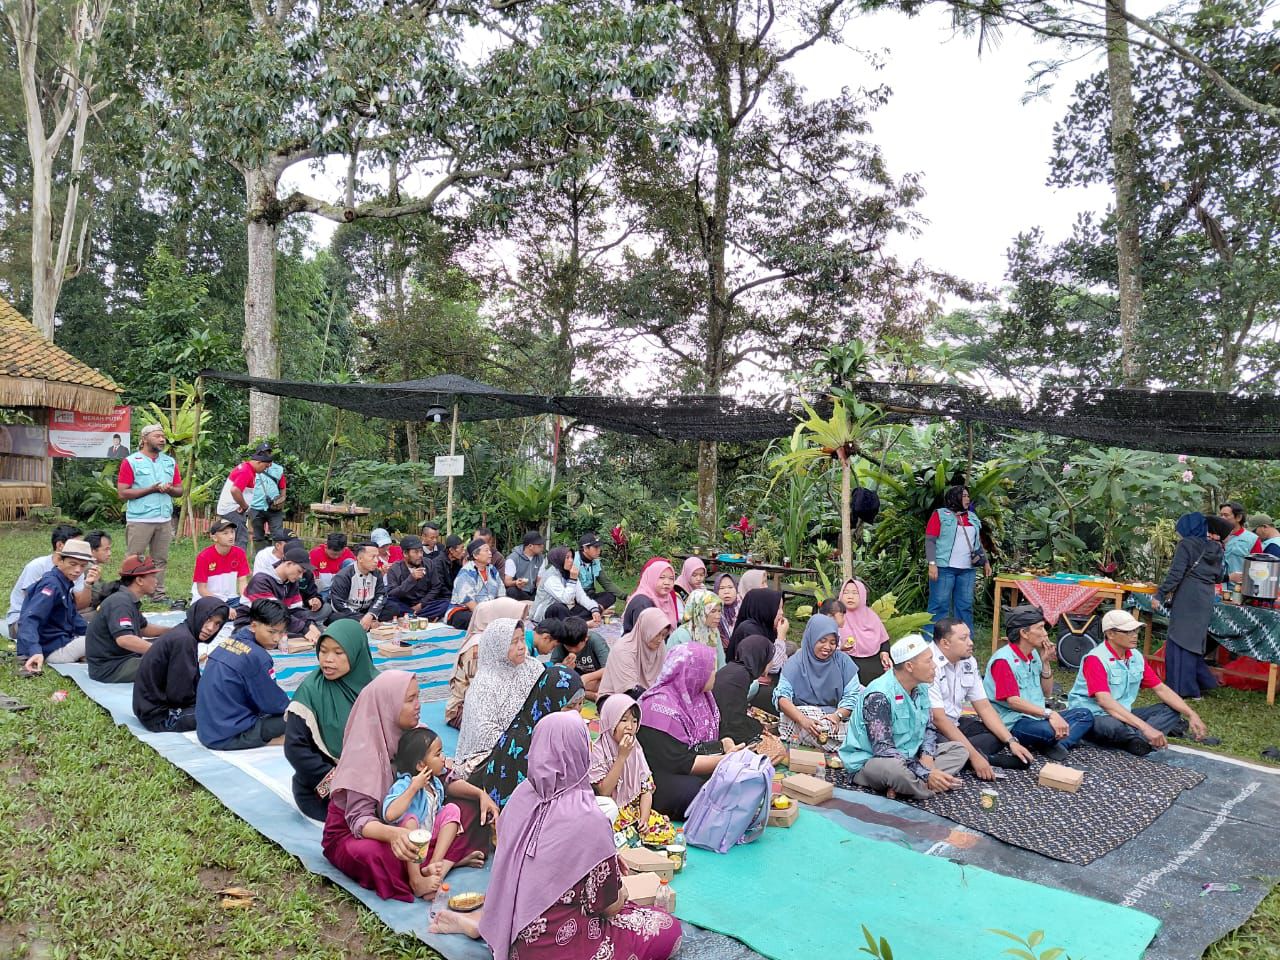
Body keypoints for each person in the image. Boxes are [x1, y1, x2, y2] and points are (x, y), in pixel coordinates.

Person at [430, 712, 683, 960]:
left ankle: (485, 926)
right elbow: (608, 907)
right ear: (580, 753)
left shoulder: (521, 797)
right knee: (666, 928)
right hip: (562, 946)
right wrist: (621, 889)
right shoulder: (589, 818)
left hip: (512, 935)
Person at [323, 671, 496, 902]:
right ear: (388, 706)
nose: (418, 706)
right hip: (365, 829)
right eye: (409, 700)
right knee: (375, 855)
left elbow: (442, 779)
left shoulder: (418, 733)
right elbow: (359, 820)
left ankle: (437, 867)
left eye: (418, 697)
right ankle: (429, 870)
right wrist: (396, 834)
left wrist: (480, 794)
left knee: (471, 810)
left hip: (412, 814)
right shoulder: (364, 750)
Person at [840, 634, 967, 800]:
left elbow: (928, 726)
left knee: (959, 750)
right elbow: (883, 750)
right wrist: (925, 772)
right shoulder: (879, 695)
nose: (934, 666)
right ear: (909, 666)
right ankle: (926, 787)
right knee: (895, 770)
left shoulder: (921, 687)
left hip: (910, 755)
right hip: (873, 761)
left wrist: (927, 756)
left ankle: (908, 786)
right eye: (928, 661)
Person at [1068, 609, 1211, 755]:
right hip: (1094, 715)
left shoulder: (1136, 656)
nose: (1135, 635)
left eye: (1135, 630)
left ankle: (1136, 740)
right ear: (1111, 634)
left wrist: (1191, 714)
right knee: (1111, 726)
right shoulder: (1095, 659)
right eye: (1128, 632)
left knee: (1172, 710)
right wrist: (1145, 727)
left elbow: (1161, 689)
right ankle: (1140, 738)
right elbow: (1105, 703)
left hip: (1123, 714)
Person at [284, 619, 379, 820]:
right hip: (323, 791)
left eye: (338, 652)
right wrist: (338, 784)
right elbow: (295, 748)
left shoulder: (378, 687)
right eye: (323, 650)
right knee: (362, 819)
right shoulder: (310, 692)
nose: (327, 659)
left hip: (373, 782)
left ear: (356, 652)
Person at [636, 643, 741, 817]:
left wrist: (727, 744)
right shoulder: (659, 707)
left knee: (734, 781)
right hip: (655, 777)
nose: (715, 673)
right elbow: (680, 763)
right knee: (697, 792)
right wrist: (725, 760)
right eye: (710, 669)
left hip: (690, 765)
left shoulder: (700, 696)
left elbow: (719, 731)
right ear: (694, 673)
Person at [984, 605, 1094, 761]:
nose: (1045, 633)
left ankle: (1055, 743)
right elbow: (1013, 702)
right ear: (1024, 633)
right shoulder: (1003, 661)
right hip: (1014, 721)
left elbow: (1047, 692)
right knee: (1048, 731)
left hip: (1037, 715)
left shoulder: (1033, 654)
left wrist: (1046, 662)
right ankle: (1055, 740)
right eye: (1041, 628)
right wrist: (1050, 714)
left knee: (1085, 715)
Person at [927, 617, 1034, 776]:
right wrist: (975, 756)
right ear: (945, 643)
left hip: (955, 722)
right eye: (963, 639)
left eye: (969, 636)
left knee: (998, 736)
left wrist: (1011, 741)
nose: (970, 642)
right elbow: (938, 719)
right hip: (930, 729)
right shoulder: (929, 664)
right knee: (957, 750)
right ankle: (976, 759)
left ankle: (967, 758)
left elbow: (983, 706)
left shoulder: (968, 661)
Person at [470, 664, 586, 809]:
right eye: (570, 706)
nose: (576, 712)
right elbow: (522, 800)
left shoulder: (560, 730)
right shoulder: (524, 742)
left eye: (581, 703)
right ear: (549, 703)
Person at [382, 727, 475, 892]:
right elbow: (389, 814)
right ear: (420, 765)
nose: (443, 758)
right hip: (411, 850)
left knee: (452, 810)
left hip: (430, 841)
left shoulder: (436, 784)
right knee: (410, 821)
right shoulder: (405, 784)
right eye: (438, 754)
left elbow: (438, 812)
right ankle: (416, 880)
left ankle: (434, 865)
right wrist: (413, 788)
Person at [1155, 513, 1233, 699]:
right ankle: (1201, 682)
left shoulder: (1187, 544)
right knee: (1194, 641)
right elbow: (1219, 576)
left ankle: (1185, 688)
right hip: (1205, 595)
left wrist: (1160, 593)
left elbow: (1176, 573)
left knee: (1180, 639)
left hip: (1188, 594)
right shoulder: (1216, 547)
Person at [453, 618, 545, 773]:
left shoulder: (533, 668)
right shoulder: (484, 684)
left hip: (534, 742)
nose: (522, 647)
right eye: (514, 642)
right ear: (498, 646)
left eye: (522, 639)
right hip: (500, 754)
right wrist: (523, 744)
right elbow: (484, 734)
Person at [196, 598, 291, 750]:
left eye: (282, 633)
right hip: (229, 736)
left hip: (207, 731)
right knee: (298, 717)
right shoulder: (258, 657)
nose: (276, 638)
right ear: (254, 626)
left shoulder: (230, 640)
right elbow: (275, 704)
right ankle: (273, 740)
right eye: (272, 632)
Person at [133, 597, 228, 733]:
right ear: (198, 614)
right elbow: (179, 695)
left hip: (147, 708)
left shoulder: (183, 632)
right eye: (208, 619)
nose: (210, 628)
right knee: (227, 710)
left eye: (217, 623)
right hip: (159, 717)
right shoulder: (184, 641)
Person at [773, 614, 862, 751]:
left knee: (862, 722)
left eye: (832, 642)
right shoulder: (796, 662)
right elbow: (782, 698)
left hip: (835, 718)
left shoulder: (843, 661)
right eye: (822, 641)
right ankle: (841, 745)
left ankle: (830, 742)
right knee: (788, 719)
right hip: (803, 717)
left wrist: (837, 716)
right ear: (811, 638)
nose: (827, 647)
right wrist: (803, 720)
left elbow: (853, 695)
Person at [590, 693, 673, 839]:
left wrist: (644, 819)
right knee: (610, 834)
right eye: (623, 720)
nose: (630, 727)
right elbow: (604, 792)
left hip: (632, 811)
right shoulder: (598, 751)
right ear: (610, 721)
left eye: (634, 721)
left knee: (665, 831)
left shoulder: (635, 748)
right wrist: (622, 757)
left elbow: (646, 788)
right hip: (611, 812)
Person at [117, 423, 183, 601]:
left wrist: (169, 489)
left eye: (163, 437)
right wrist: (151, 489)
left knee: (160, 559)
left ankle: (158, 594)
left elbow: (180, 490)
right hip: (140, 519)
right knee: (134, 557)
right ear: (145, 439)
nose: (162, 440)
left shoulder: (169, 462)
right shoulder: (131, 462)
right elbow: (123, 492)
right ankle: (128, 595)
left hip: (164, 518)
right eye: (157, 436)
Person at [444, 598, 532, 728]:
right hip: (468, 708)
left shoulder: (512, 641)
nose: (519, 625)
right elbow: (480, 694)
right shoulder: (477, 647)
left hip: (502, 702)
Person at [15, 538, 93, 674]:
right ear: (59, 560)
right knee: (106, 642)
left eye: (82, 566)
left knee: (102, 636)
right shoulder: (51, 585)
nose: (78, 570)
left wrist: (96, 631)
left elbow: (74, 618)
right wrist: (35, 651)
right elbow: (29, 619)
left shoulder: (64, 583)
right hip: (51, 649)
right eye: (73, 564)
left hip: (61, 641)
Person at [85, 555, 167, 683]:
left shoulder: (127, 598)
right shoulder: (120, 602)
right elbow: (125, 640)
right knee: (170, 664)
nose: (156, 581)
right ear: (139, 580)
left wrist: (171, 631)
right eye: (153, 577)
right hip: (110, 668)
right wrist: (161, 652)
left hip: (123, 659)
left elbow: (143, 628)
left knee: (168, 644)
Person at [924, 484, 990, 639]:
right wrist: (932, 564)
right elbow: (930, 540)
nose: (967, 499)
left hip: (967, 570)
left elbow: (977, 544)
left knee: (965, 606)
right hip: (944, 567)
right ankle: (930, 640)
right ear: (954, 497)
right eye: (964, 496)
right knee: (939, 605)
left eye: (968, 496)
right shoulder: (940, 515)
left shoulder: (972, 517)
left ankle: (965, 640)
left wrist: (986, 562)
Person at [7, 524, 88, 637]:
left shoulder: (77, 569)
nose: (81, 549)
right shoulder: (37, 566)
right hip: (24, 620)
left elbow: (79, 605)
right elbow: (32, 606)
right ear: (60, 545)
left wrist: (88, 585)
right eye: (76, 545)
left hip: (56, 616)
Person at [236, 546, 322, 643]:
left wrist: (311, 625)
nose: (301, 576)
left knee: (317, 632)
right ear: (288, 564)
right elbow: (274, 613)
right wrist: (304, 630)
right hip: (250, 624)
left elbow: (297, 610)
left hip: (276, 626)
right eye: (299, 571)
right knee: (275, 639)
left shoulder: (292, 582)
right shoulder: (261, 580)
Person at [725, 587, 790, 706]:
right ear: (765, 608)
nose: (782, 612)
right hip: (745, 686)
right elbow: (771, 667)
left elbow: (782, 664)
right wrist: (781, 637)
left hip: (761, 680)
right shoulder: (749, 630)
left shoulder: (766, 627)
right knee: (780, 699)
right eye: (778, 608)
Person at [713, 633, 776, 745]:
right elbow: (734, 722)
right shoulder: (741, 676)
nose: (772, 663)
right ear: (761, 657)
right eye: (770, 658)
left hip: (719, 723)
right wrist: (758, 729)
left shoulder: (735, 669)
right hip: (719, 731)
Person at [598, 606, 670, 698]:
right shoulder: (624, 649)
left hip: (648, 695)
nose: (660, 639)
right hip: (616, 698)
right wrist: (656, 699)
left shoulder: (660, 646)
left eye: (664, 635)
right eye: (657, 635)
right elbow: (629, 690)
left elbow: (664, 678)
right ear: (646, 630)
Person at [215, 448, 273, 552]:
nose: (265, 469)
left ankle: (229, 562)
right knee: (240, 539)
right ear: (259, 462)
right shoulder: (246, 471)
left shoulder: (248, 468)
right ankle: (238, 565)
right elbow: (235, 490)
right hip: (232, 509)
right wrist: (244, 506)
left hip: (231, 508)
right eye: (265, 467)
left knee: (231, 539)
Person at [837, 578, 892, 684]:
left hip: (873, 661)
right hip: (845, 661)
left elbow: (884, 641)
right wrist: (841, 648)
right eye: (846, 592)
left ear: (862, 596)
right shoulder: (836, 617)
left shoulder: (871, 616)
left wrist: (884, 654)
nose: (850, 596)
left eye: (855, 593)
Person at [530, 546, 601, 623]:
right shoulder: (551, 576)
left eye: (571, 557)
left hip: (563, 611)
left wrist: (594, 609)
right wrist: (573, 579)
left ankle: (572, 622)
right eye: (567, 558)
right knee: (558, 608)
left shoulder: (568, 572)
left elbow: (581, 596)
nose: (571, 561)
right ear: (559, 559)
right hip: (543, 614)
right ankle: (574, 624)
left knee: (588, 608)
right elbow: (566, 599)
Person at [191, 518, 250, 608]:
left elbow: (243, 582)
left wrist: (246, 601)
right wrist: (221, 606)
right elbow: (201, 590)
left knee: (254, 609)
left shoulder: (240, 553)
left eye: (232, 532)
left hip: (231, 599)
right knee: (219, 613)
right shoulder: (204, 556)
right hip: (208, 600)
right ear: (215, 538)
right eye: (225, 533)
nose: (231, 536)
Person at [328, 543, 389, 628]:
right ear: (360, 558)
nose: (376, 560)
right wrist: (361, 617)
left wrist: (371, 614)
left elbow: (381, 595)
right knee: (337, 618)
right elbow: (339, 604)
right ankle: (371, 624)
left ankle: (370, 623)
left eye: (377, 557)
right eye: (372, 557)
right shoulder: (343, 576)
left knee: (392, 607)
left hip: (367, 610)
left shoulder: (377, 574)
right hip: (348, 612)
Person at [446, 538, 502, 630]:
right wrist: (487, 615)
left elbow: (501, 593)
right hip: (464, 610)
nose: (490, 553)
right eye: (486, 551)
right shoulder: (466, 572)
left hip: (487, 610)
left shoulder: (492, 570)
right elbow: (468, 601)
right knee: (475, 619)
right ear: (476, 555)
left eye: (490, 550)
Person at [546, 615, 609, 692]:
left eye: (576, 646)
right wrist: (563, 666)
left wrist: (586, 678)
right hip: (574, 679)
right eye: (568, 647)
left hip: (596, 678)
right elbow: (552, 669)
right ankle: (588, 694)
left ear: (586, 638)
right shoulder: (562, 641)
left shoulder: (595, 640)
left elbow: (608, 668)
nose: (572, 650)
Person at [666, 588, 725, 668]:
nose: (718, 616)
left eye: (719, 611)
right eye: (713, 611)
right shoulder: (682, 634)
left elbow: (721, 663)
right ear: (699, 610)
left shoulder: (714, 631)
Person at [620, 559, 680, 633]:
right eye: (661, 577)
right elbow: (644, 636)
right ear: (652, 578)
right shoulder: (642, 602)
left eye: (671, 578)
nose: (667, 582)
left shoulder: (667, 597)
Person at [382, 534, 433, 618]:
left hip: (424, 604)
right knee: (390, 604)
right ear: (405, 553)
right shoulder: (394, 569)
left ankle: (412, 615)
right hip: (404, 605)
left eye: (421, 551)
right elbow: (392, 594)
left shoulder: (429, 563)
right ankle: (416, 614)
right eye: (416, 552)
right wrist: (411, 579)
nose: (420, 555)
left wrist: (421, 604)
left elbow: (436, 587)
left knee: (445, 603)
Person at [248, 444, 288, 548]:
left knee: (278, 535)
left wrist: (282, 499)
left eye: (269, 452)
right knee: (258, 535)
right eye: (264, 452)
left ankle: (277, 558)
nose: (267, 454)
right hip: (256, 506)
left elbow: (283, 487)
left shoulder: (279, 469)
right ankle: (259, 558)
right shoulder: (251, 468)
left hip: (274, 506)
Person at [421, 534, 466, 621]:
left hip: (451, 597)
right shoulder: (438, 563)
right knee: (447, 604)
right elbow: (440, 587)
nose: (463, 551)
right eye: (461, 548)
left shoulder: (457, 562)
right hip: (439, 598)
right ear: (451, 550)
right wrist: (454, 598)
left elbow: (459, 583)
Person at [574, 532, 620, 613]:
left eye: (599, 547)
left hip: (591, 595)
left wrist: (625, 596)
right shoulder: (573, 561)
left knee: (610, 596)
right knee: (576, 605)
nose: (599, 550)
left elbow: (606, 583)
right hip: (576, 597)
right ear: (585, 548)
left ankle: (593, 610)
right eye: (595, 547)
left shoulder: (596, 561)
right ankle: (596, 610)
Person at [1219, 501, 1262, 579]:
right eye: (1221, 515)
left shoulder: (1252, 539)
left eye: (1226, 515)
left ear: (1238, 517)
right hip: (1216, 586)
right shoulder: (1214, 537)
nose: (1222, 518)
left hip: (1239, 587)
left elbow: (1258, 566)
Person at [503, 531, 546, 602]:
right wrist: (516, 582)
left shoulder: (540, 558)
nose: (542, 546)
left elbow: (539, 580)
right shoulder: (513, 558)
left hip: (533, 591)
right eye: (539, 545)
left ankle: (531, 602)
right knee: (511, 591)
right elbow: (507, 582)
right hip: (519, 591)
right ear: (530, 546)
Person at [310, 533, 356, 598]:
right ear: (326, 547)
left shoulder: (348, 554)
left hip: (340, 589)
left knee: (350, 562)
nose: (336, 557)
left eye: (339, 554)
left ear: (344, 549)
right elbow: (311, 573)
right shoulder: (316, 553)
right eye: (333, 554)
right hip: (323, 589)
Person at [83, 530, 114, 613]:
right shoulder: (89, 567)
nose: (109, 553)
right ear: (92, 550)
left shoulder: (88, 564)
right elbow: (97, 597)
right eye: (106, 550)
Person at [715, 573, 739, 650]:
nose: (726, 591)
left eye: (730, 587)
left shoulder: (742, 608)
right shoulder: (711, 612)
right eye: (721, 588)